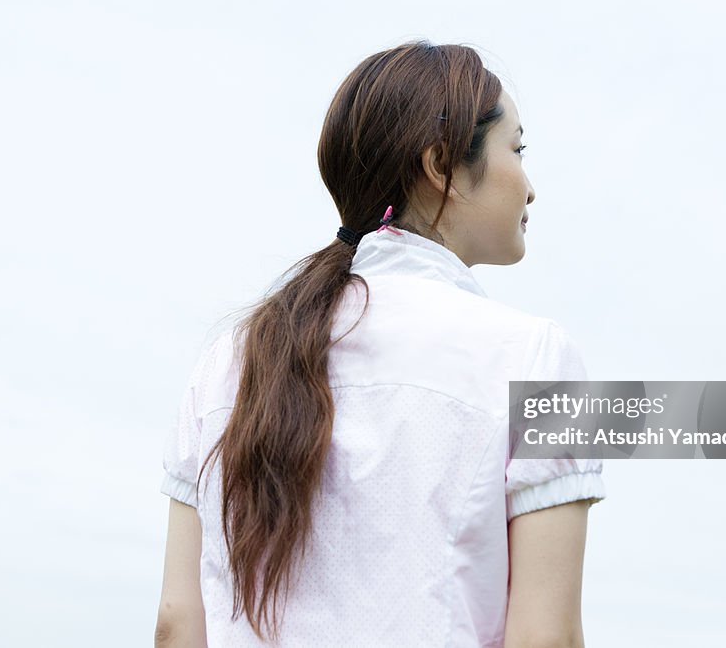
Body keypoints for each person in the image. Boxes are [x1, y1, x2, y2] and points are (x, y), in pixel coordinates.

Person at [154, 40, 606, 648]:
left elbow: (177, 626)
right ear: (441, 163)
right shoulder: (537, 359)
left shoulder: (231, 359)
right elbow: (545, 638)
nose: (529, 186)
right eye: (517, 149)